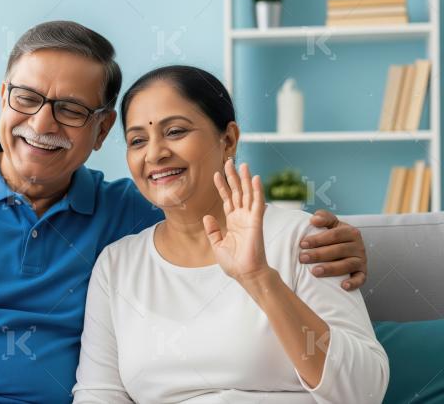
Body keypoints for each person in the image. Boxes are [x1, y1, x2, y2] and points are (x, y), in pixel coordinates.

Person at [0, 21, 370, 404]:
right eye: (26, 98)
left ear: (104, 130)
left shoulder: (128, 214)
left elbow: (211, 217)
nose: (41, 123)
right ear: (5, 97)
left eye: (69, 110)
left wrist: (333, 240)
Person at [72, 65, 388, 404]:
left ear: (229, 139)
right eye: (138, 140)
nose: (154, 153)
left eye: (176, 131)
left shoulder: (304, 239)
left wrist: (260, 279)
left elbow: (364, 391)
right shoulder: (117, 264)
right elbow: (99, 394)